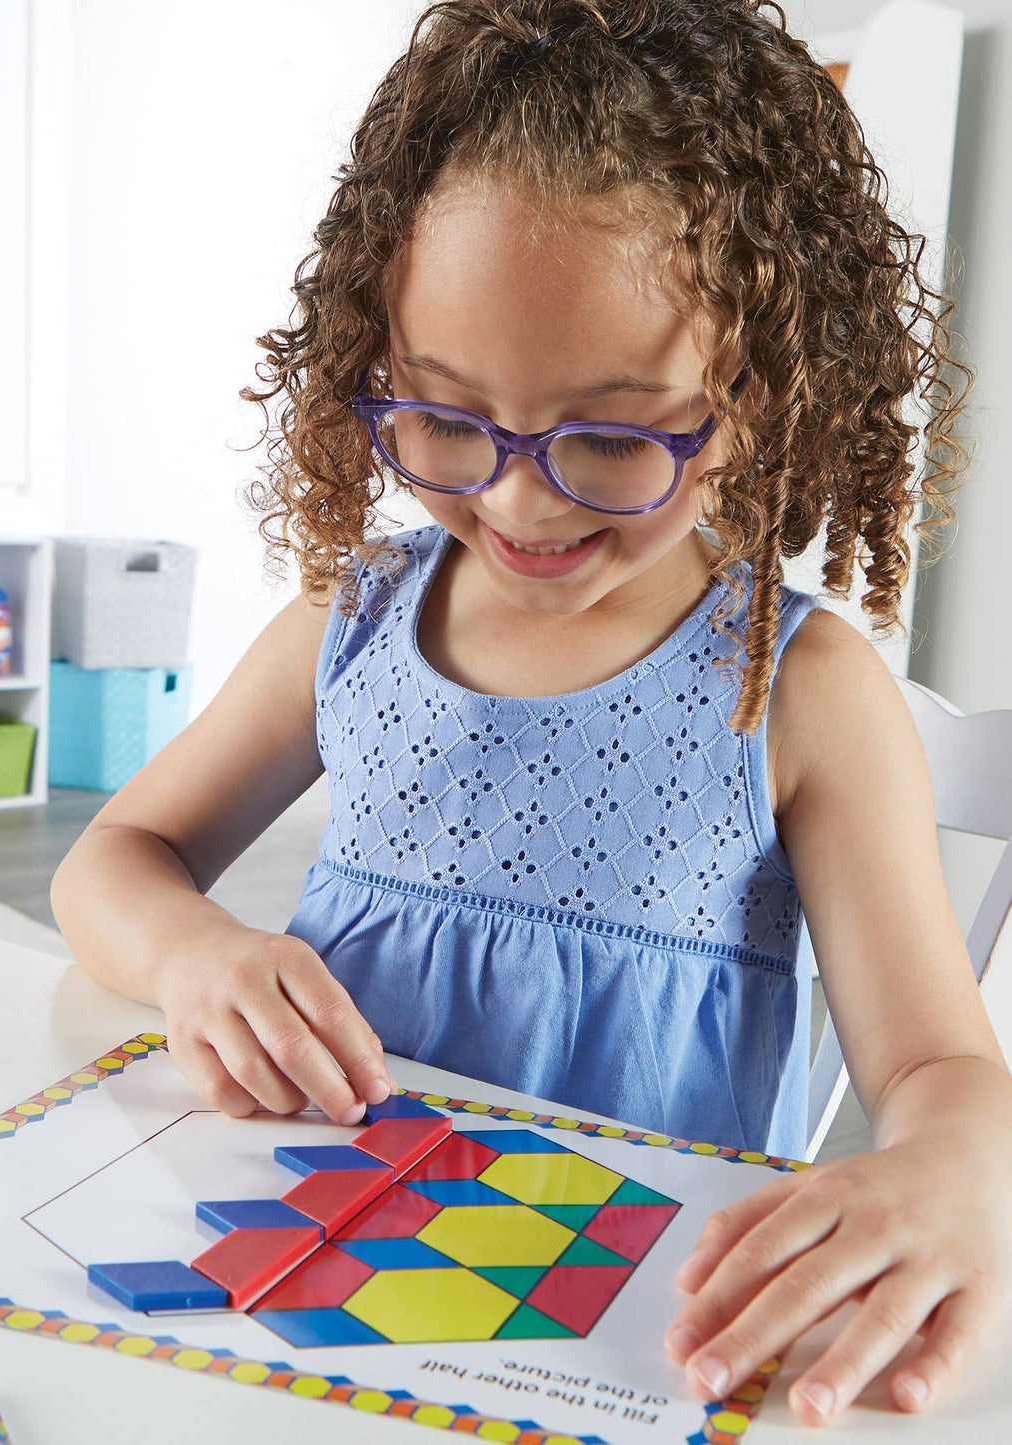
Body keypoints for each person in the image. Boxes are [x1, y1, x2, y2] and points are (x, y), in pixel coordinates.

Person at [52, 0, 1011, 1425]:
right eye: (443, 418)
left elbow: (937, 1065)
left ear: (750, 397)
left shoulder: (795, 691)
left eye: (610, 437)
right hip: (301, 1279)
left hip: (601, 1343)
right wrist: (195, 954)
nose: (514, 497)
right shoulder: (353, 620)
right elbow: (111, 859)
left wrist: (959, 1170)